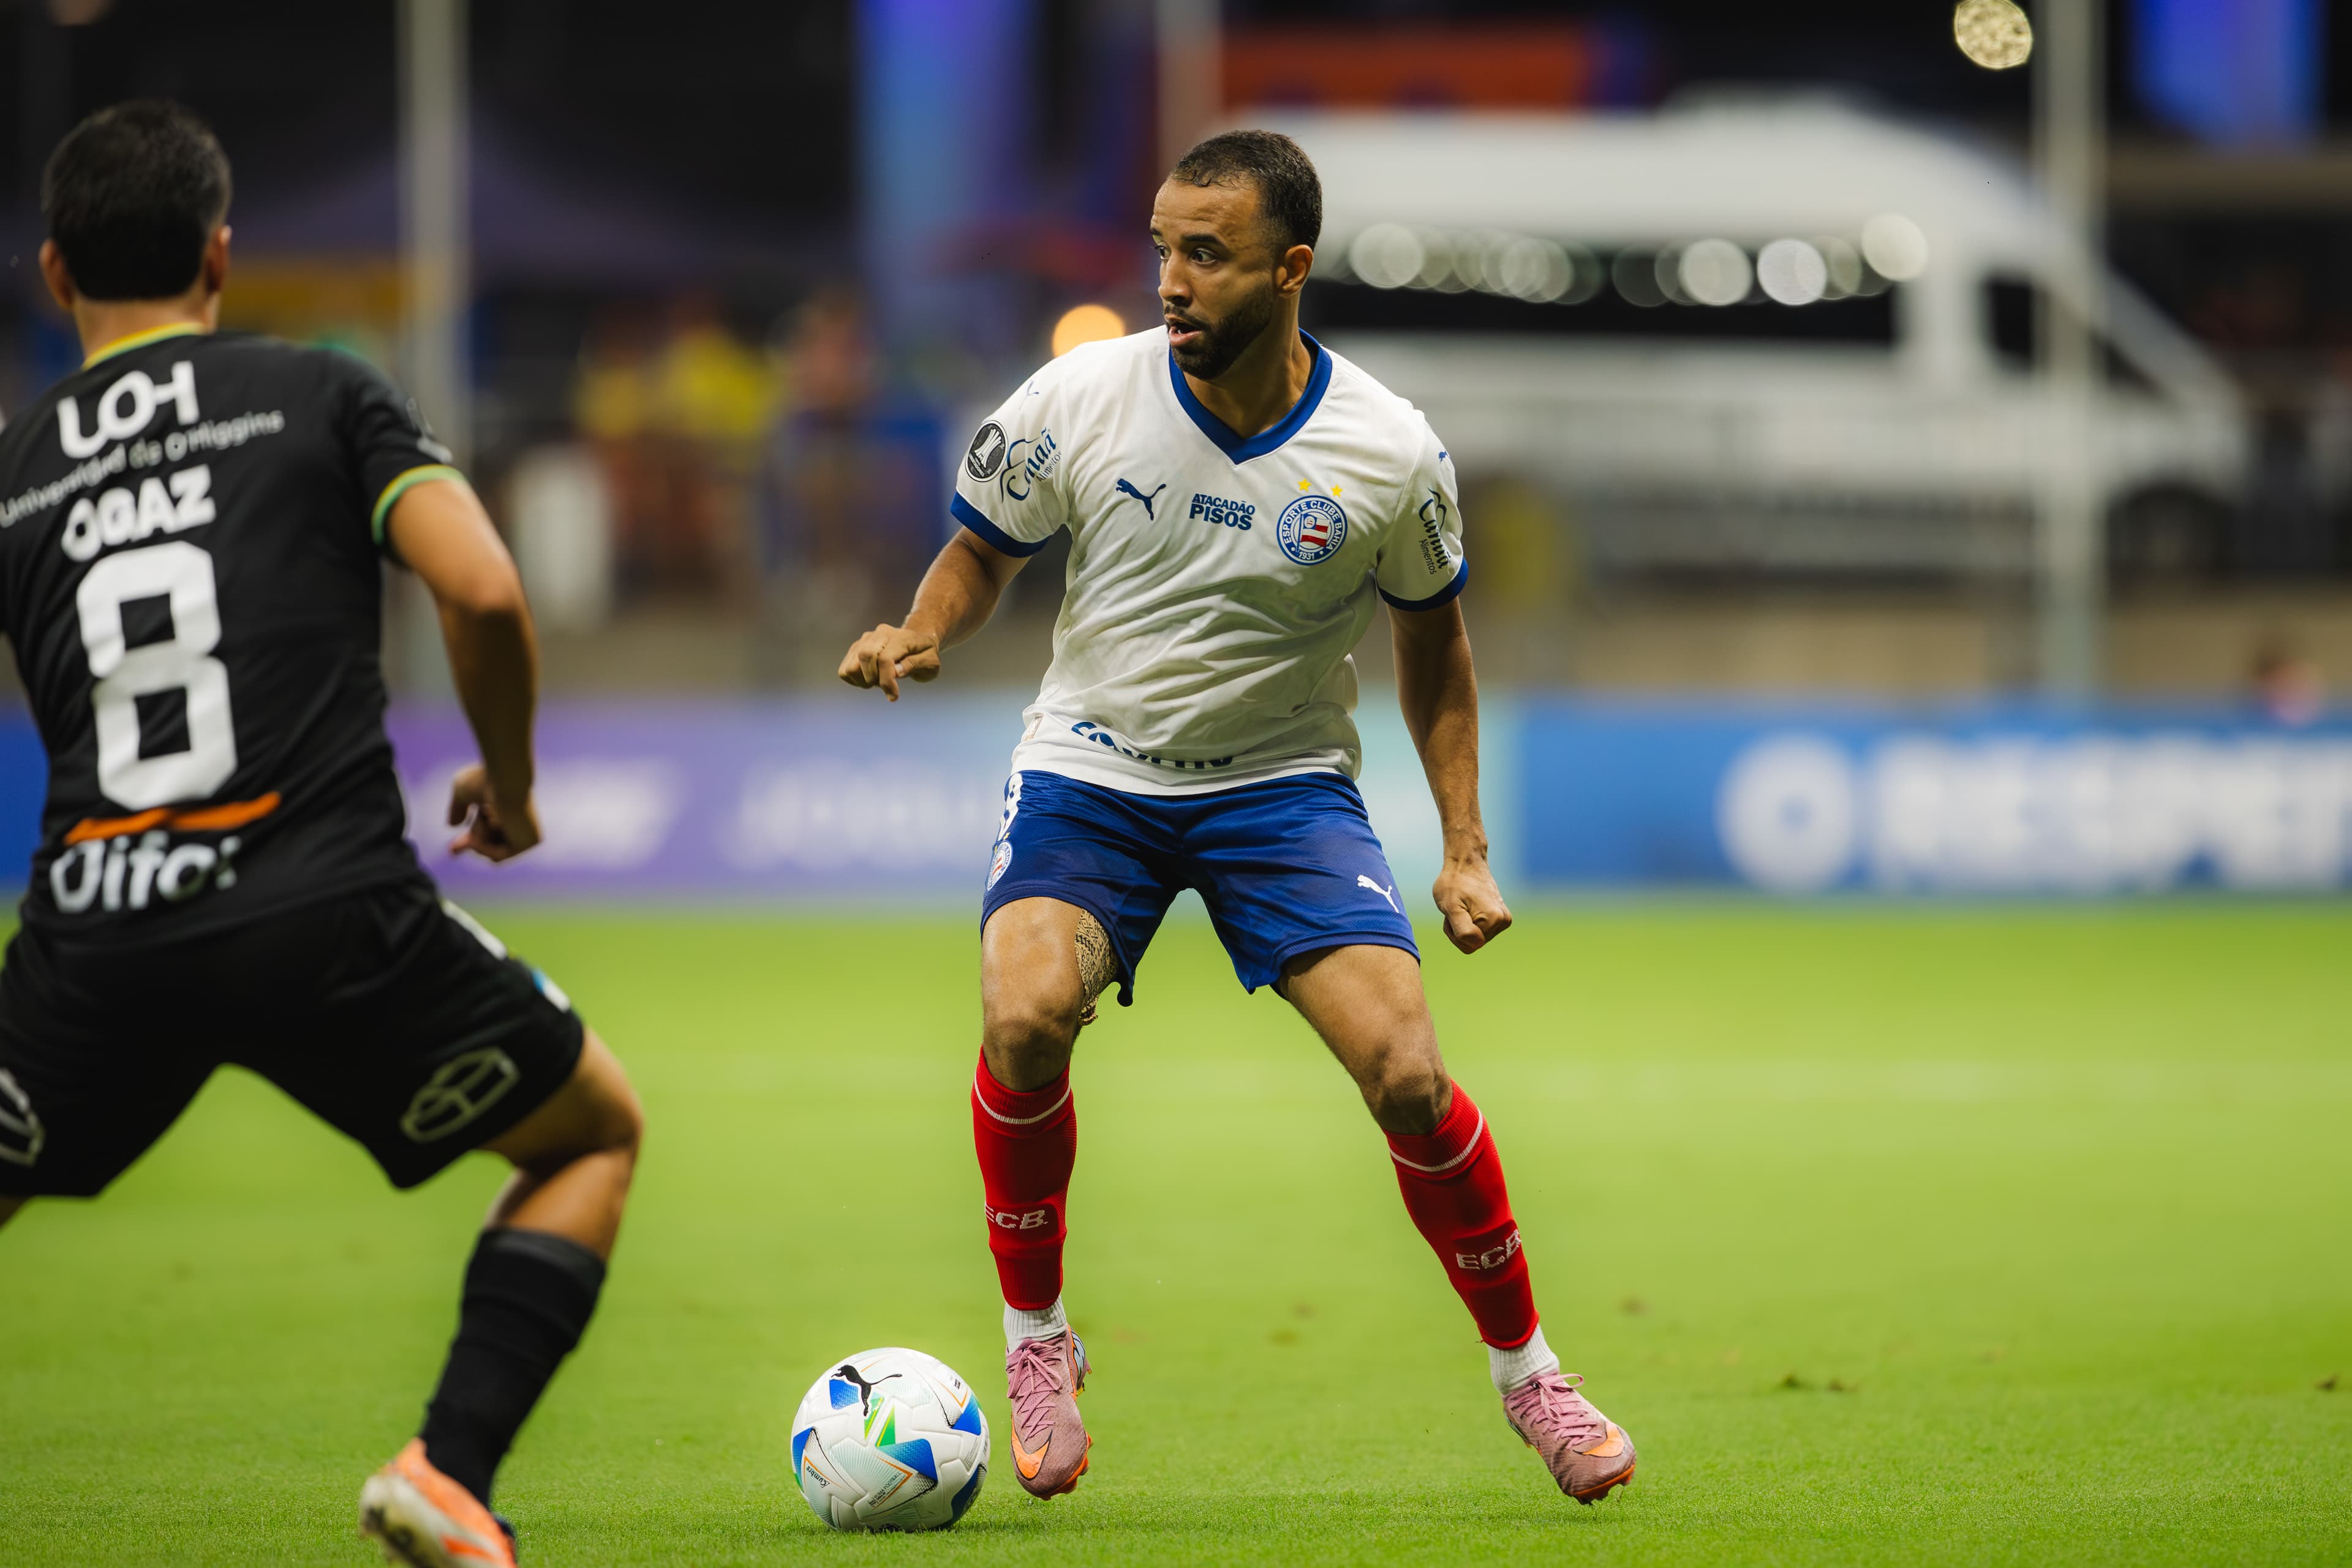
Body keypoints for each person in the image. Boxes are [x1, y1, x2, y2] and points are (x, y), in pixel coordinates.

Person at [839, 129, 1634, 1506]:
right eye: (1162, 247)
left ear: (1291, 267)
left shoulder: (1388, 450)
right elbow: (982, 547)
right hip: (1095, 768)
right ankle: (1039, 1341)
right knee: (1023, 1014)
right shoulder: (1082, 394)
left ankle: (1532, 1375)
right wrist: (923, 628)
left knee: (1407, 1070)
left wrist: (1463, 845)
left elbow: (1436, 648)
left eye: (1205, 252)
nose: (1172, 279)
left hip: (1282, 789)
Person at [0, 103, 643, 1568]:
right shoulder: (320, 392)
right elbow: (481, 593)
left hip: (96, 935)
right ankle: (447, 1466)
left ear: (54, 275)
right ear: (223, 253)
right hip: (324, 908)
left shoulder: (16, 461)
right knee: (592, 1127)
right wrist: (513, 780)